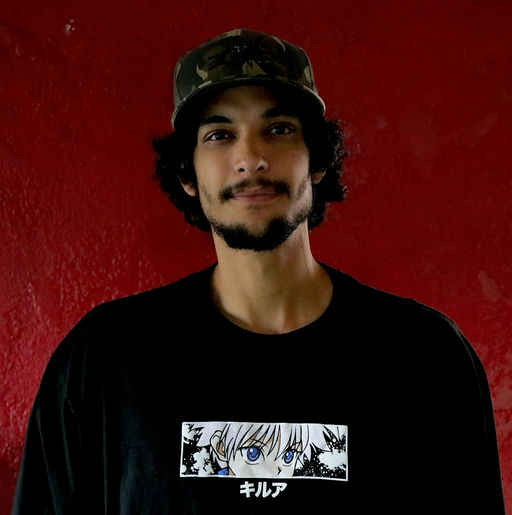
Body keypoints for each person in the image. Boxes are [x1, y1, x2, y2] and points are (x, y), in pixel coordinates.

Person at [12, 28, 505, 514]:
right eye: (220, 135)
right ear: (187, 172)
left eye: (279, 129)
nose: (250, 158)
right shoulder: (104, 359)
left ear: (316, 161)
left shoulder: (426, 356)